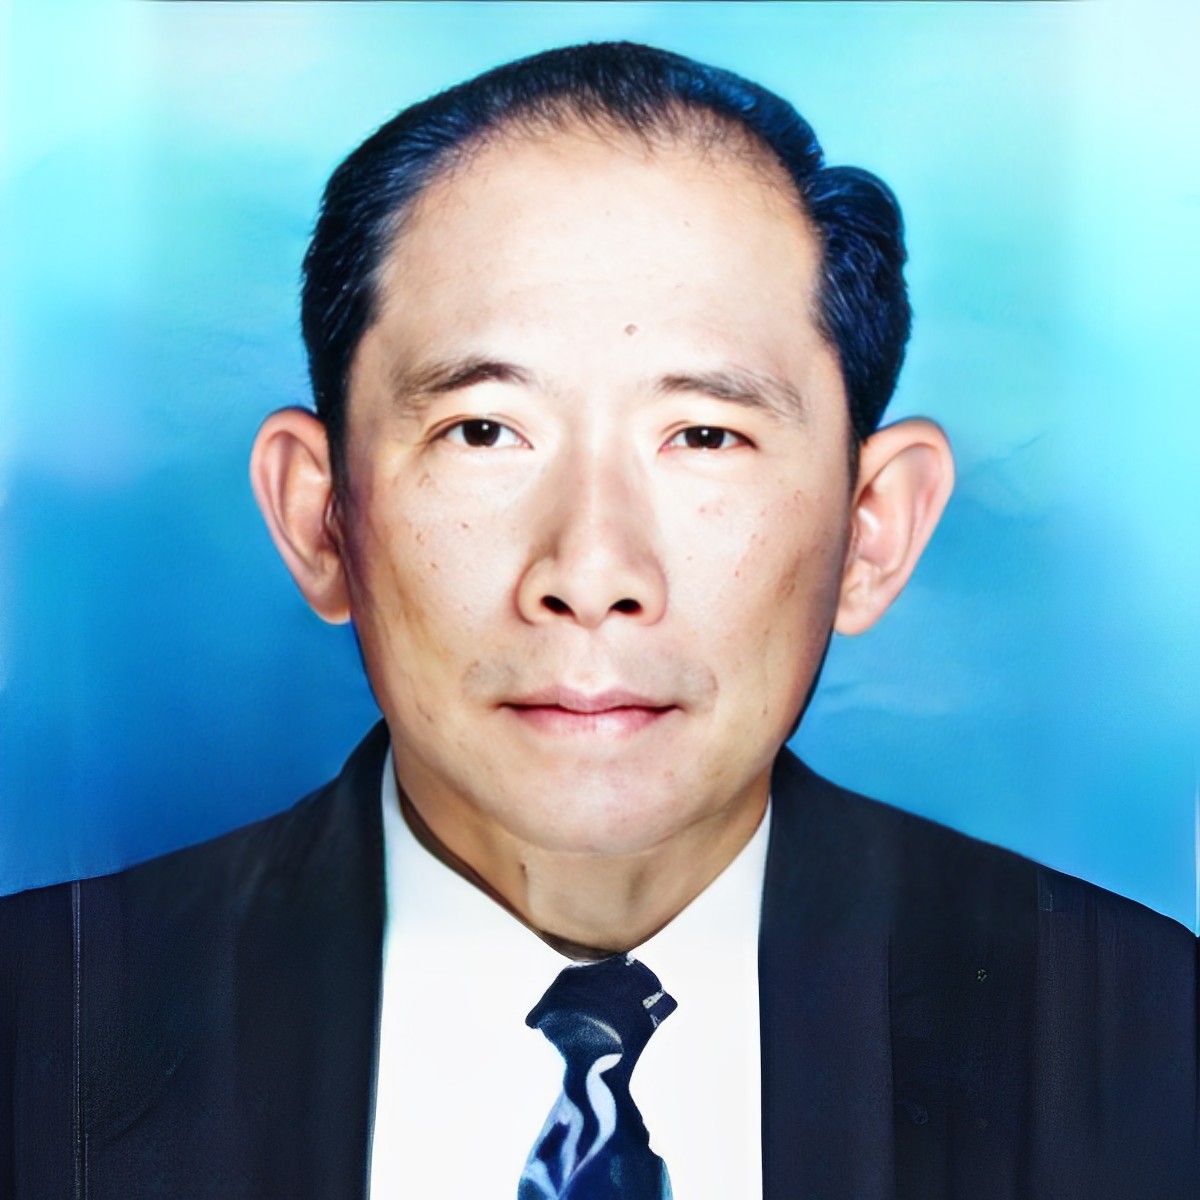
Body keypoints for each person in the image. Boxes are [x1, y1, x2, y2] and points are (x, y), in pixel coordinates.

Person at [2, 41, 1195, 1200]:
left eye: (705, 436)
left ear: (871, 529)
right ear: (321, 516)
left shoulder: (1141, 1043)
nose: (590, 572)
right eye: (483, 431)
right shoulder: (37, 1031)